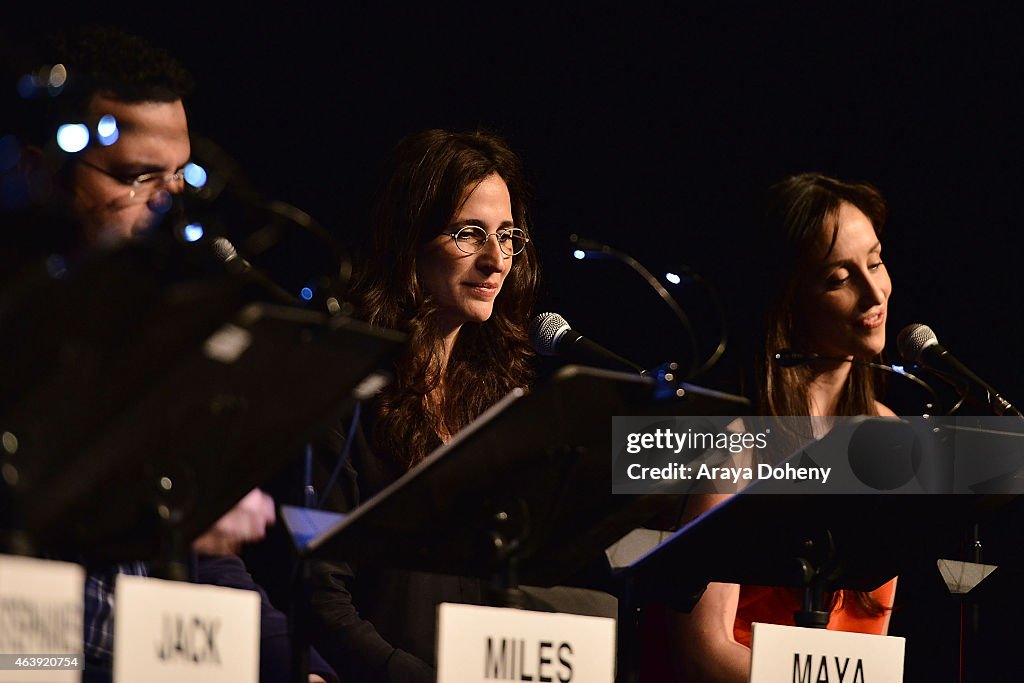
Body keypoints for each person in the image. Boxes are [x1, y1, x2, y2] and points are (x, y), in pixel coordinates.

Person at [5, 25, 334, 683]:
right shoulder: (22, 325)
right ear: (41, 171)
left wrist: (297, 667)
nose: (169, 203)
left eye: (180, 178)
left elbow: (211, 563)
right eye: (137, 176)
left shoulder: (168, 337)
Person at [307, 128, 539, 682]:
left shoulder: (502, 400)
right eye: (469, 234)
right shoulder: (345, 388)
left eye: (507, 236)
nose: (496, 260)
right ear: (407, 240)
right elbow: (317, 591)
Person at [652, 172, 898, 682]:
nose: (874, 292)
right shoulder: (739, 444)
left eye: (875, 262)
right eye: (839, 278)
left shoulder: (893, 437)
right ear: (789, 300)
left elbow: (868, 642)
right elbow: (703, 651)